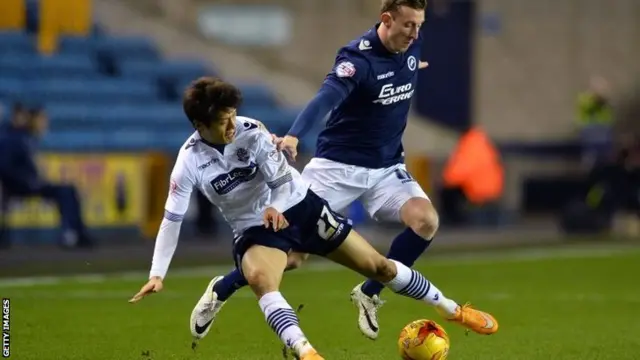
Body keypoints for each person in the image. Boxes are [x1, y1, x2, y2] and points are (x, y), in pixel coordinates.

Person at [128, 78, 499, 360]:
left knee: (381, 268)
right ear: (199, 124)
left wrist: (275, 204)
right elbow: (171, 219)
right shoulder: (188, 163)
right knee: (262, 279)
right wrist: (156, 274)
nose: (231, 126)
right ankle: (307, 352)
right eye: (223, 121)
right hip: (255, 229)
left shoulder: (250, 130)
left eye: (232, 117)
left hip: (301, 206)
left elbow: (277, 178)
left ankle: (452, 309)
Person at [209, 0, 439, 340]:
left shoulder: (410, 43)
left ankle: (369, 293)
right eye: (409, 25)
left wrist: (409, 65)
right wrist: (293, 135)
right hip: (336, 168)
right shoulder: (355, 60)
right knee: (292, 255)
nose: (416, 33)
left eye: (420, 25)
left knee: (426, 221)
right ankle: (223, 286)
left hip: (387, 167)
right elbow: (325, 98)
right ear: (386, 19)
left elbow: (400, 64)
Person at [0, 106, 93, 248]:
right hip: (19, 185)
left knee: (69, 189)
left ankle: (77, 232)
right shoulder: (13, 139)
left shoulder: (27, 138)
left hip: (30, 183)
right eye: (42, 119)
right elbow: (5, 168)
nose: (45, 123)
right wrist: (28, 180)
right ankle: (70, 234)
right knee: (65, 191)